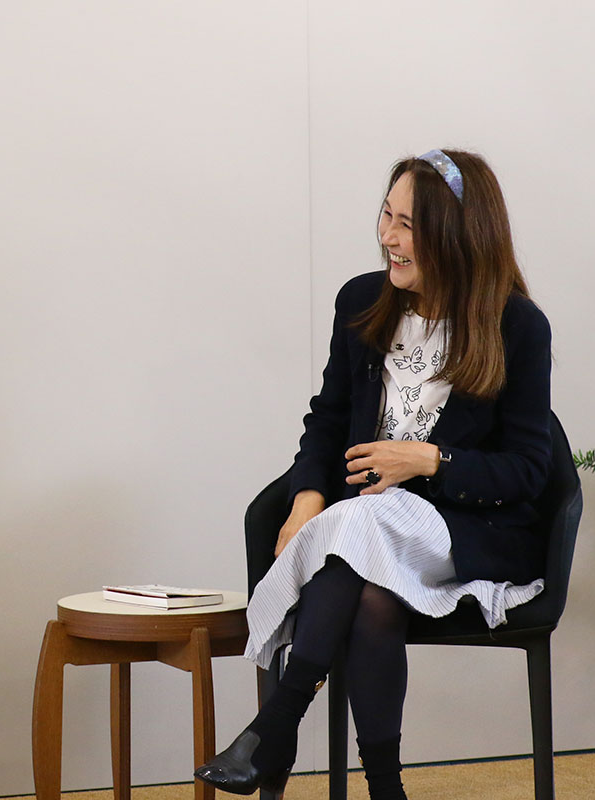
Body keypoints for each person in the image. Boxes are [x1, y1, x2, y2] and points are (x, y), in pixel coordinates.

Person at [195, 150, 552, 799]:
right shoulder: (362, 301)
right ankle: (387, 790)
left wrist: (428, 460)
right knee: (371, 593)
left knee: (362, 522)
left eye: (407, 225)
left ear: (456, 234)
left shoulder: (517, 327)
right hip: (361, 538)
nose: (388, 236)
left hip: (463, 531)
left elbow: (529, 470)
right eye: (386, 216)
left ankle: (276, 727)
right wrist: (306, 501)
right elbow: (328, 419)